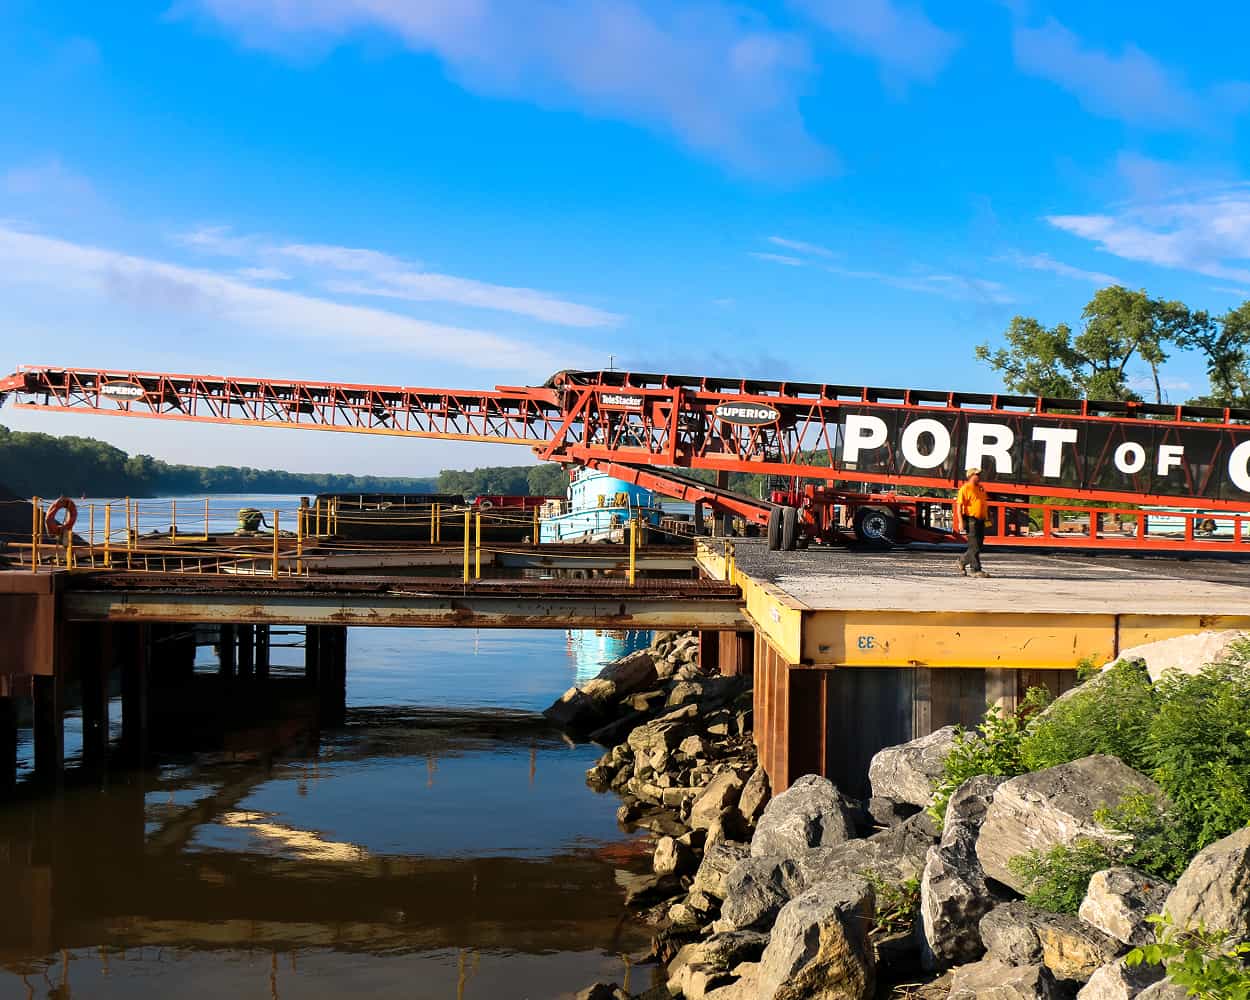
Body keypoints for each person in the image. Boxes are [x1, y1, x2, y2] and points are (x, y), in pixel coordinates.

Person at [956, 467, 990, 577]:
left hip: (981, 519)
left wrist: (987, 517)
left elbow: (983, 503)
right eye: (977, 475)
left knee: (978, 545)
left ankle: (962, 560)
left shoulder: (980, 488)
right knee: (974, 546)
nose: (980, 477)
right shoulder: (965, 488)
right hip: (971, 519)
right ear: (971, 476)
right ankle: (975, 570)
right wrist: (961, 522)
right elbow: (959, 507)